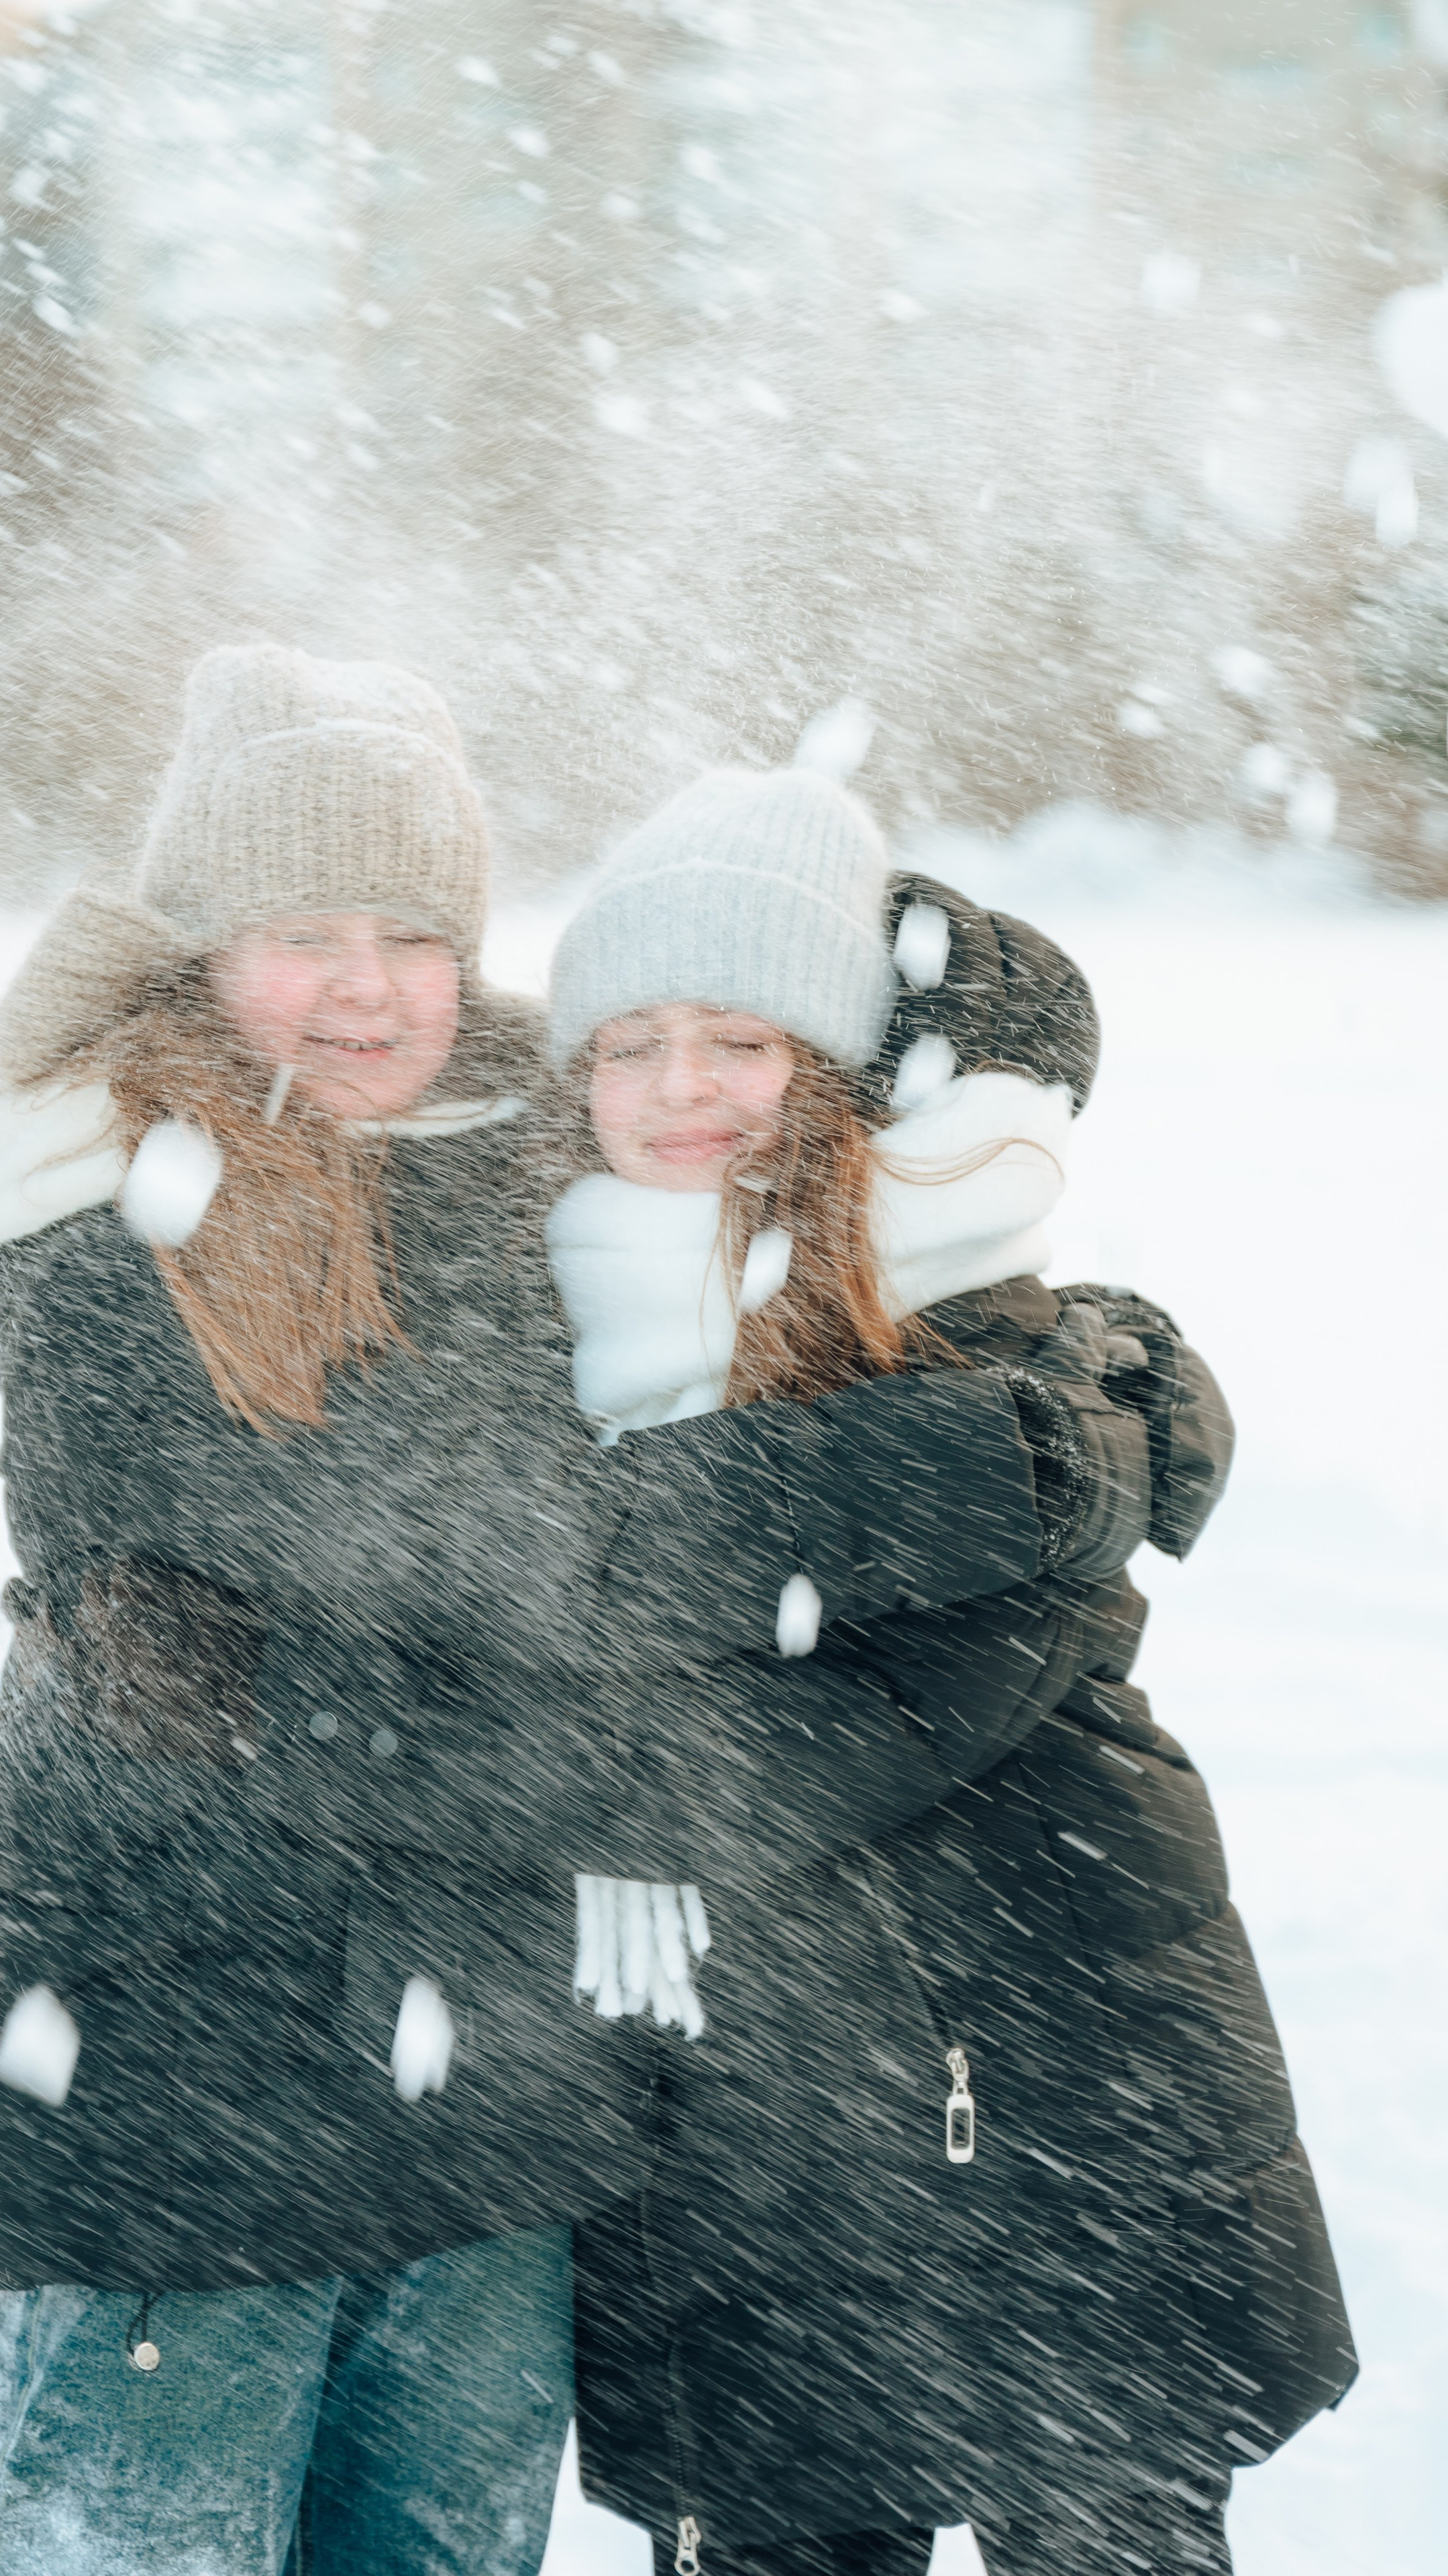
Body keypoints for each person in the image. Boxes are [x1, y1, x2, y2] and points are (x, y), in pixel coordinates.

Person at [0, 647, 1152, 2576]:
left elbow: (868, 1216)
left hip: (497, 2081)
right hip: (176, 2052)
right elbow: (292, 1640)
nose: (362, 989)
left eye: (413, 936)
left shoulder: (554, 1160)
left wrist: (1105, 1393)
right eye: (299, 933)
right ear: (194, 952)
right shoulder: (102, 1191)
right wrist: (643, 1786)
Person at [537, 769, 1357, 2576]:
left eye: (741, 1039)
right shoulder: (566, 1344)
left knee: (1104, 2532)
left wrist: (590, 1726)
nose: (679, 1086)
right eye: (631, 1041)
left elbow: (855, 1702)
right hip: (751, 2158)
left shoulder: (974, 1336)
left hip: (1060, 2105)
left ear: (842, 1075)